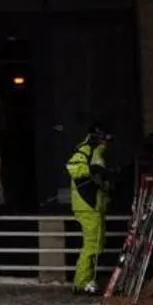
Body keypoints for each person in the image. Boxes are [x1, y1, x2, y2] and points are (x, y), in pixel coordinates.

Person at [65, 124, 113, 293]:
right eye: (106, 138)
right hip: (87, 204)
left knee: (96, 244)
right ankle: (82, 282)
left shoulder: (95, 151)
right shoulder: (87, 150)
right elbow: (73, 167)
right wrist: (93, 171)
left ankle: (86, 281)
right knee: (92, 245)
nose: (108, 142)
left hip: (93, 204)